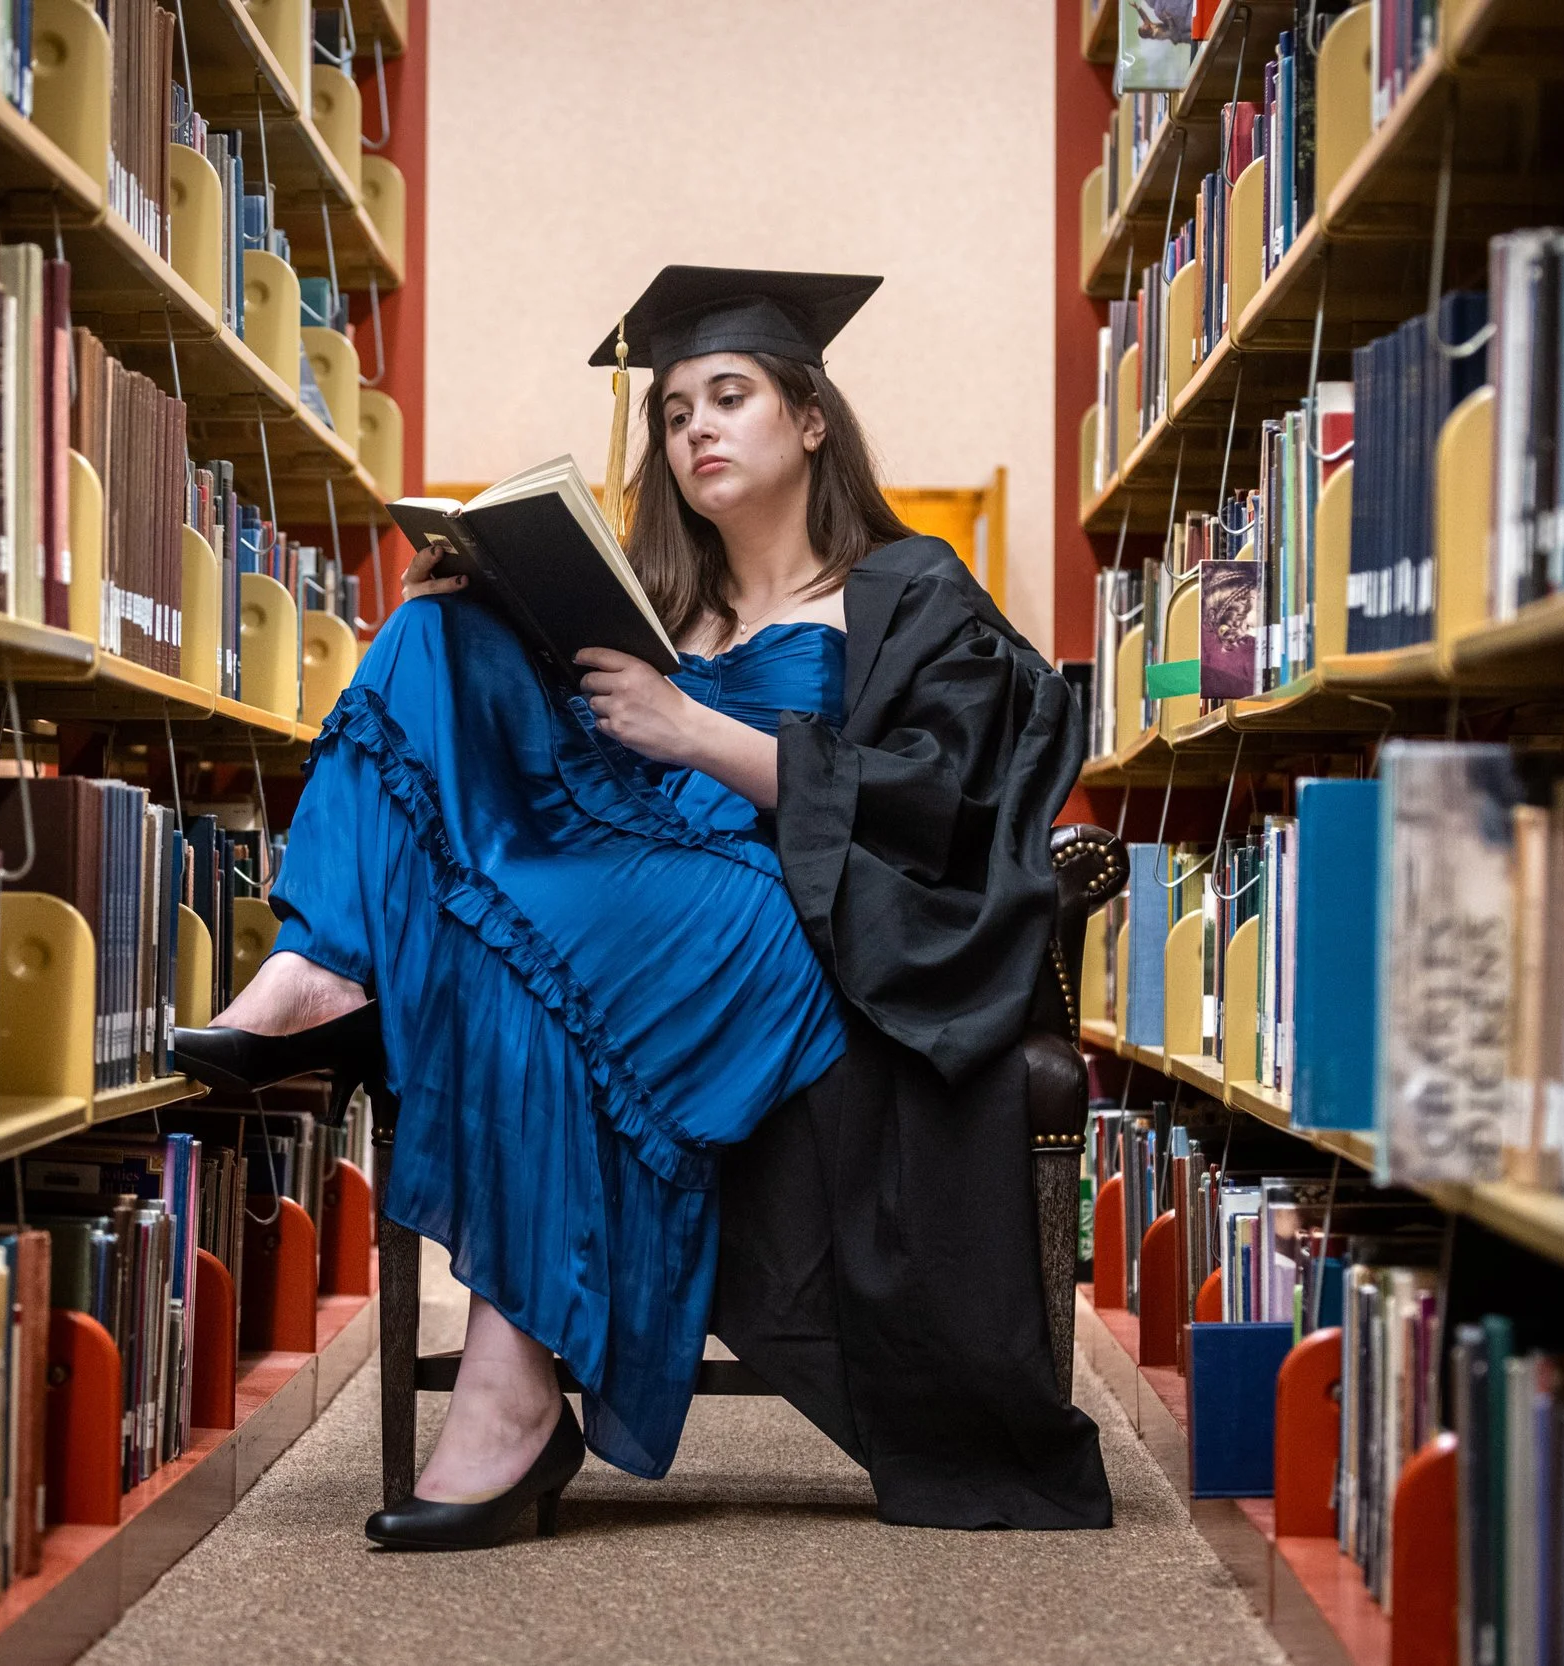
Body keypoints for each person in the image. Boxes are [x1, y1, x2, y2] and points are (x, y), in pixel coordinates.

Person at [171, 266, 1110, 1548]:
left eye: (729, 397)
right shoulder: (657, 600)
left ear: (812, 420)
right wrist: (492, 615)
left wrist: (699, 730)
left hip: (782, 909)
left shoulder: (906, 587)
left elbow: (942, 798)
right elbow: (565, 767)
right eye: (672, 413)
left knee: (522, 957)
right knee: (429, 636)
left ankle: (509, 1394)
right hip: (626, 875)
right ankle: (323, 963)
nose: (696, 431)